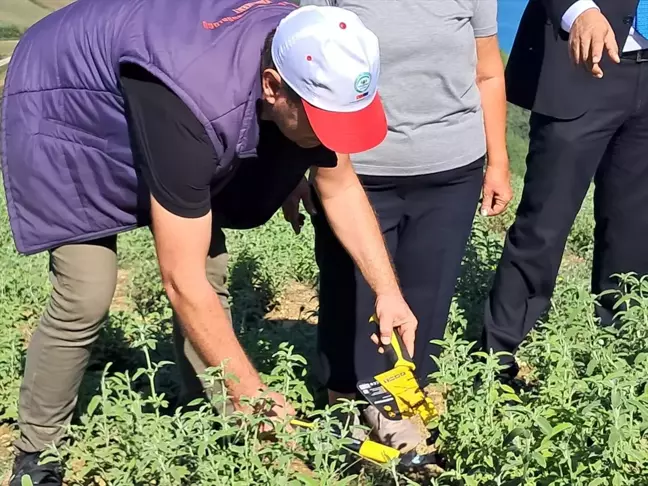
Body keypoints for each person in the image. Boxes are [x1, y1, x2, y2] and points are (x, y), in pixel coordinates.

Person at [0, 1, 420, 484]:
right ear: (272, 86)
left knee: (212, 266)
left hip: (154, 84)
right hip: (67, 103)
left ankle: (206, 410)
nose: (328, 138)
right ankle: (37, 454)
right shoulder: (189, 101)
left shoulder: (312, 53)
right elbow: (181, 279)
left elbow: (340, 185)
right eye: (321, 123)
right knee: (86, 292)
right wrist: (253, 394)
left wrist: (387, 291)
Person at [285, 0, 512, 453]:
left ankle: (399, 406)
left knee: (426, 295)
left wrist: (499, 160)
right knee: (349, 294)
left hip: (452, 167)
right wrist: (293, 170)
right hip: (354, 170)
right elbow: (297, 74)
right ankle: (343, 407)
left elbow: (488, 73)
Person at [481, 0, 648, 380]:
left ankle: (614, 364)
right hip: (584, 64)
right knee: (544, 226)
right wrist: (579, 11)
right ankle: (496, 362)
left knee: (633, 231)